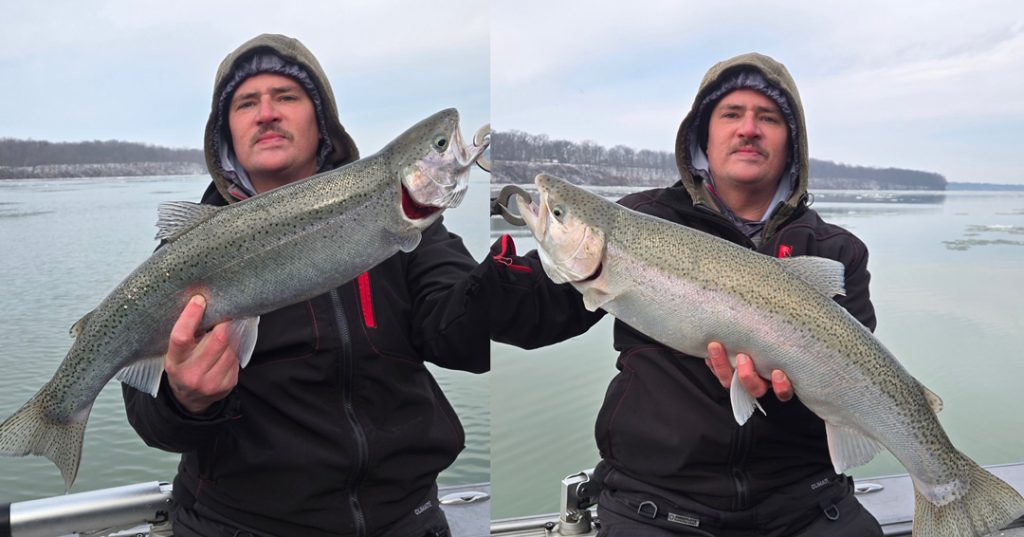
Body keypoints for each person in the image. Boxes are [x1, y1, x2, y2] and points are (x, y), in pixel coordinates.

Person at [482, 52, 884, 536]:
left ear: (792, 142)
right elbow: (524, 316)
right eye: (731, 114)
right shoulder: (640, 219)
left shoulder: (836, 251)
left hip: (806, 504)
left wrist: (790, 397)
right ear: (703, 135)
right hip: (654, 503)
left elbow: (861, 386)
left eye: (768, 118)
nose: (749, 129)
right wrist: (497, 277)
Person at [122, 33, 488, 537]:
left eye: (286, 96)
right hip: (238, 526)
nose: (266, 113)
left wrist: (512, 283)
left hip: (406, 520)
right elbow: (149, 419)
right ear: (226, 132)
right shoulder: (188, 254)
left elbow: (471, 342)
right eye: (246, 103)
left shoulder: (410, 230)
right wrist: (185, 400)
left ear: (322, 120)